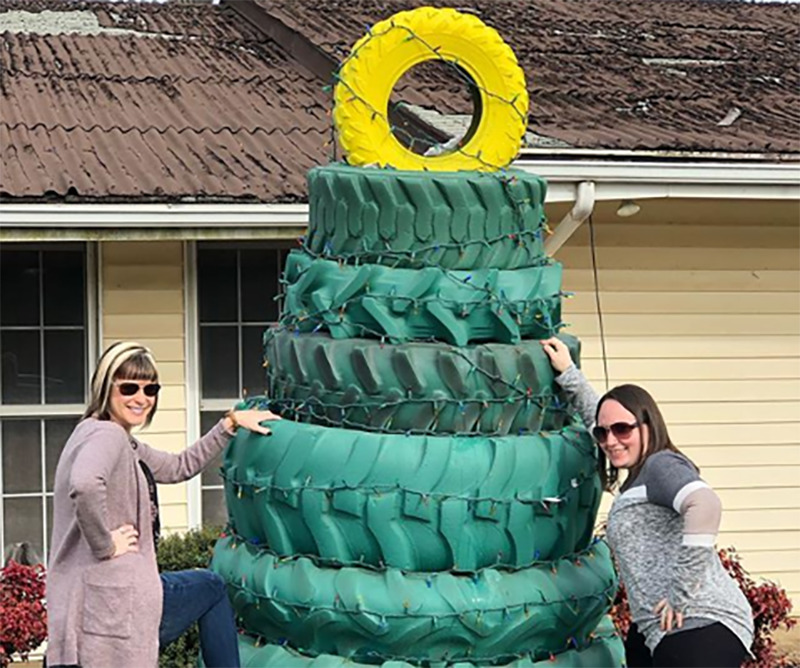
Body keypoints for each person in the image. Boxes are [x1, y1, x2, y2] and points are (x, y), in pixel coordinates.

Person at [46, 341, 280, 668]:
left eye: (150, 388)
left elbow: (178, 466)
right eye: (128, 387)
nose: (141, 398)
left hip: (86, 605)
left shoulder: (100, 436)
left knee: (206, 588)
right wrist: (105, 544)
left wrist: (229, 423)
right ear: (104, 388)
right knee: (212, 587)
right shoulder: (108, 437)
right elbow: (85, 484)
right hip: (114, 601)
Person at [540, 337, 753, 668]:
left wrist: (681, 594)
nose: (611, 440)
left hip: (701, 622)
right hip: (658, 628)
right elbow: (601, 416)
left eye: (623, 429)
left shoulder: (660, 466)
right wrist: (569, 373)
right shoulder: (639, 476)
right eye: (603, 433)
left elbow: (705, 505)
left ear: (648, 425)